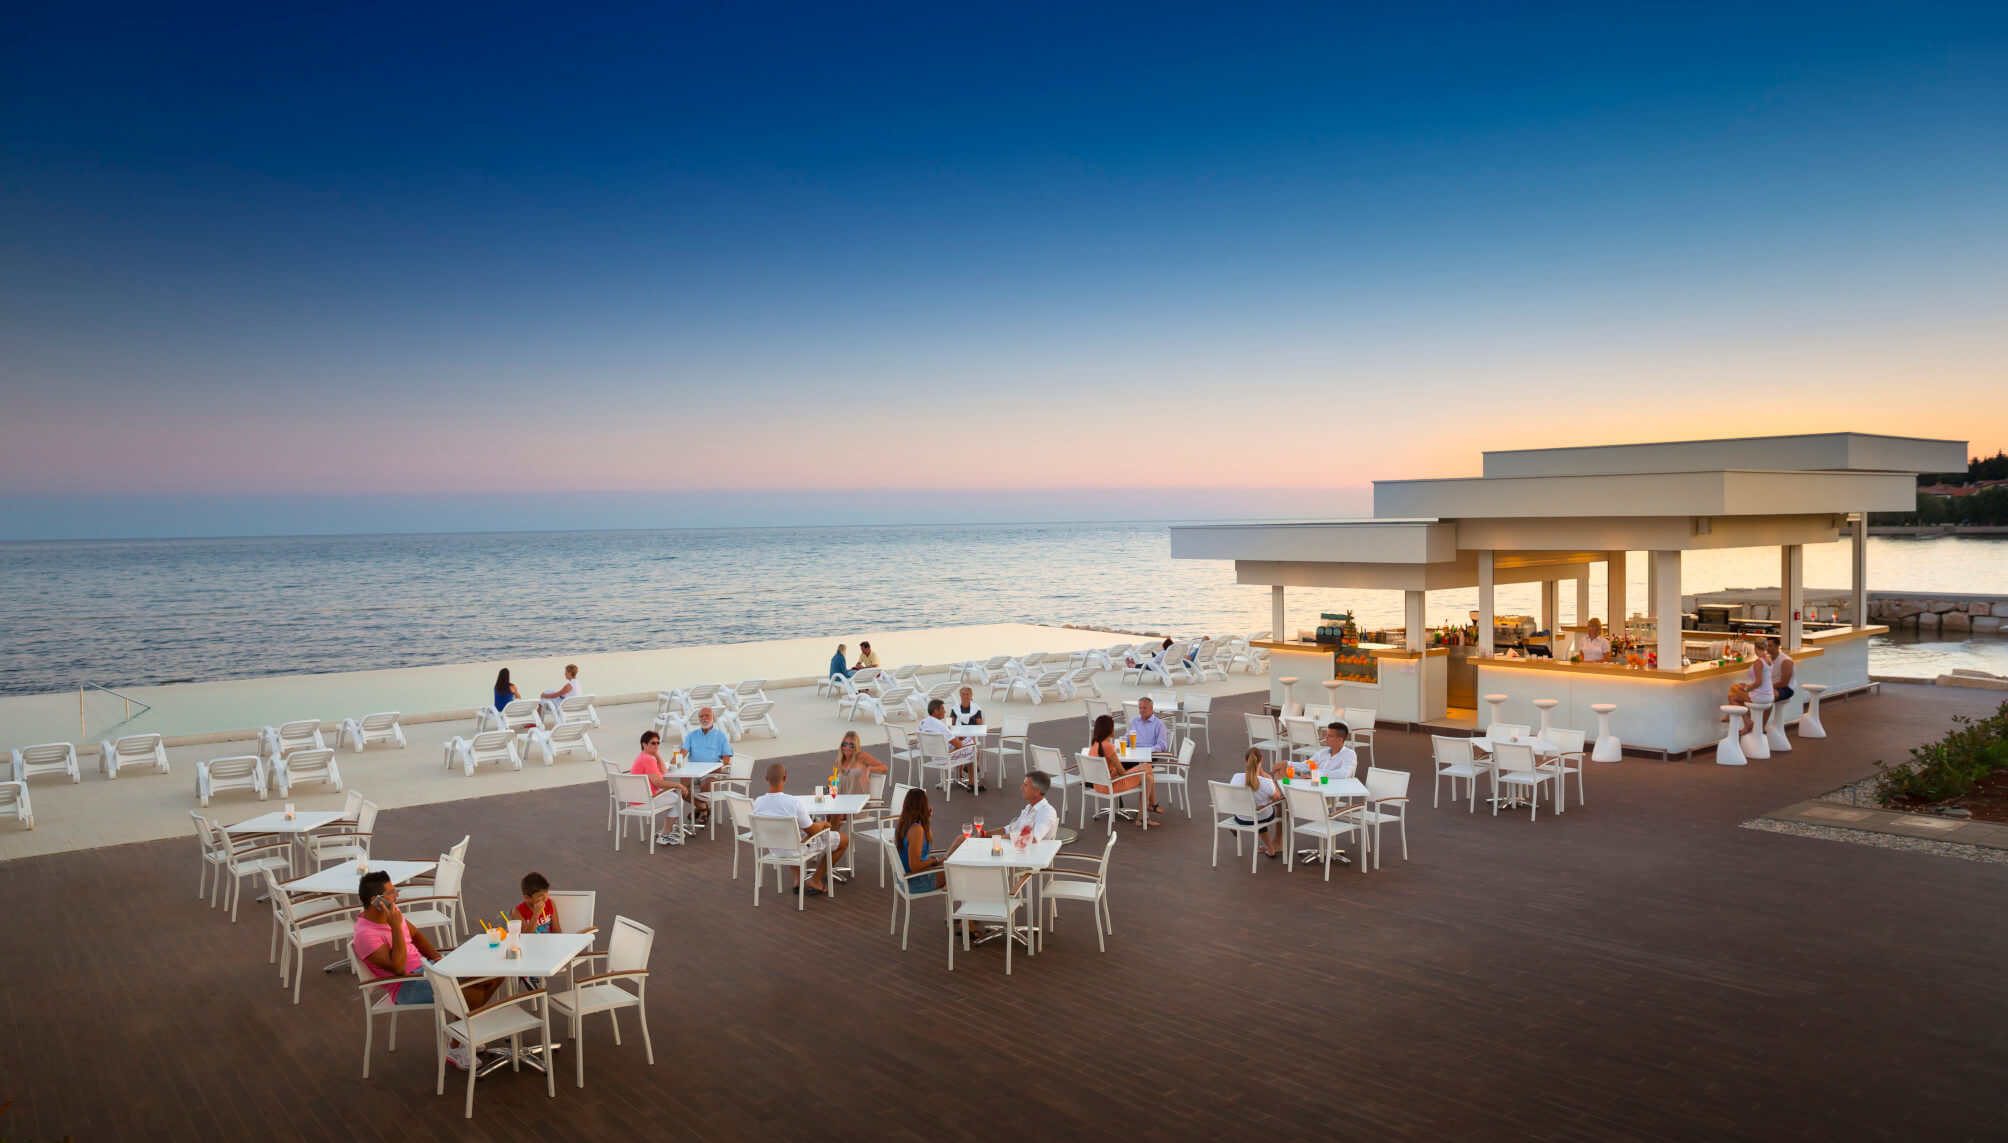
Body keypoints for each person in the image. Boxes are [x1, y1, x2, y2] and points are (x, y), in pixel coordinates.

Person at [353, 870, 498, 1070]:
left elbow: (417, 936)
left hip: (428, 968)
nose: (397, 896)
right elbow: (398, 968)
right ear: (375, 901)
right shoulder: (365, 935)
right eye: (391, 893)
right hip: (406, 985)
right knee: (468, 990)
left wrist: (437, 958)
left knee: (494, 971)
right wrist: (394, 926)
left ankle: (461, 1031)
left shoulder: (392, 913)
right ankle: (456, 1046)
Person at [750, 763, 849, 897]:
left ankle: (798, 879)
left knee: (791, 834)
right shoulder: (793, 802)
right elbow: (812, 831)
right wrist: (823, 824)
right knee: (843, 840)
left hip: (774, 848)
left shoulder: (758, 802)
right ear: (785, 779)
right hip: (796, 849)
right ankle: (815, 880)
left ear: (766, 778)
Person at [1086, 713, 1159, 827]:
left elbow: (1107, 769)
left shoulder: (1094, 745)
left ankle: (1142, 818)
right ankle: (1153, 803)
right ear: (1109, 729)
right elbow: (1122, 772)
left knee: (1148, 778)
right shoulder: (1108, 746)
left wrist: (1114, 771)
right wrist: (1128, 770)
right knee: (1147, 767)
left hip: (1099, 785)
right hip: (1112, 786)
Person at [894, 787, 963, 893]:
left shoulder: (902, 824)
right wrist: (935, 860)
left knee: (960, 841)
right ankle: (948, 884)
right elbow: (915, 866)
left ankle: (948, 881)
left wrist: (926, 819)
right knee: (961, 865)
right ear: (922, 806)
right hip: (918, 880)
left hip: (912, 877)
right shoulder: (916, 830)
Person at [631, 729, 692, 846]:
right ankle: (664, 835)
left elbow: (664, 771)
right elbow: (658, 782)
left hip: (638, 798)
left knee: (674, 795)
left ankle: (666, 830)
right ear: (644, 744)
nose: (656, 745)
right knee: (678, 799)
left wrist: (656, 753)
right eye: (653, 743)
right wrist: (679, 785)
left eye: (658, 743)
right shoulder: (648, 759)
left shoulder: (645, 756)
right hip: (645, 800)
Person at [1225, 747, 1284, 858]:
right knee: (1270, 809)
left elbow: (1233, 798)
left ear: (1245, 760)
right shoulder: (1266, 782)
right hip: (1260, 817)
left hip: (1241, 818)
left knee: (1252, 808)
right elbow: (1277, 799)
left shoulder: (1236, 777)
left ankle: (1270, 848)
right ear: (1261, 760)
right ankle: (1275, 844)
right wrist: (1269, 777)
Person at [921, 698, 982, 792]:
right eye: (942, 709)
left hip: (934, 757)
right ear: (936, 711)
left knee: (964, 741)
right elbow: (959, 745)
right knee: (974, 747)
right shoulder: (940, 726)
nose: (945, 711)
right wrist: (967, 740)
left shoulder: (923, 723)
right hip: (946, 758)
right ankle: (972, 782)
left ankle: (963, 773)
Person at [682, 707, 735, 805]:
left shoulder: (721, 736)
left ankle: (702, 811)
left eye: (707, 715)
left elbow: (726, 758)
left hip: (711, 773)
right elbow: (683, 752)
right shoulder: (691, 735)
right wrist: (674, 761)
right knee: (680, 787)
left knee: (706, 784)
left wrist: (718, 768)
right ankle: (702, 808)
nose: (704, 718)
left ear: (713, 718)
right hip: (693, 772)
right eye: (701, 716)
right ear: (698, 719)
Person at [990, 771, 1061, 842]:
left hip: (1032, 851)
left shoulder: (1047, 812)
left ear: (1037, 791)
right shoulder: (1029, 807)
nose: (1021, 788)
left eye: (1025, 785)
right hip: (1021, 848)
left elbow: (1034, 838)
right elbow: (1012, 828)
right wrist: (985, 834)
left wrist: (1002, 838)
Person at [833, 730, 888, 816]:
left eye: (851, 745)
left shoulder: (861, 756)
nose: (847, 747)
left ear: (856, 746)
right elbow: (835, 785)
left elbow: (884, 768)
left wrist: (868, 768)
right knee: (828, 816)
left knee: (833, 817)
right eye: (845, 744)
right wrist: (823, 794)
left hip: (857, 807)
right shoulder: (838, 762)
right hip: (841, 804)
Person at [1767, 636, 1796, 711]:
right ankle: (1755, 722)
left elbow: (1784, 684)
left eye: (1770, 646)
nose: (1767, 648)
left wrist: (1767, 687)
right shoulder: (1768, 658)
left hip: (1786, 689)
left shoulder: (1786, 661)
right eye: (1766, 646)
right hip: (1772, 687)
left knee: (1767, 698)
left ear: (1777, 646)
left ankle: (1761, 723)